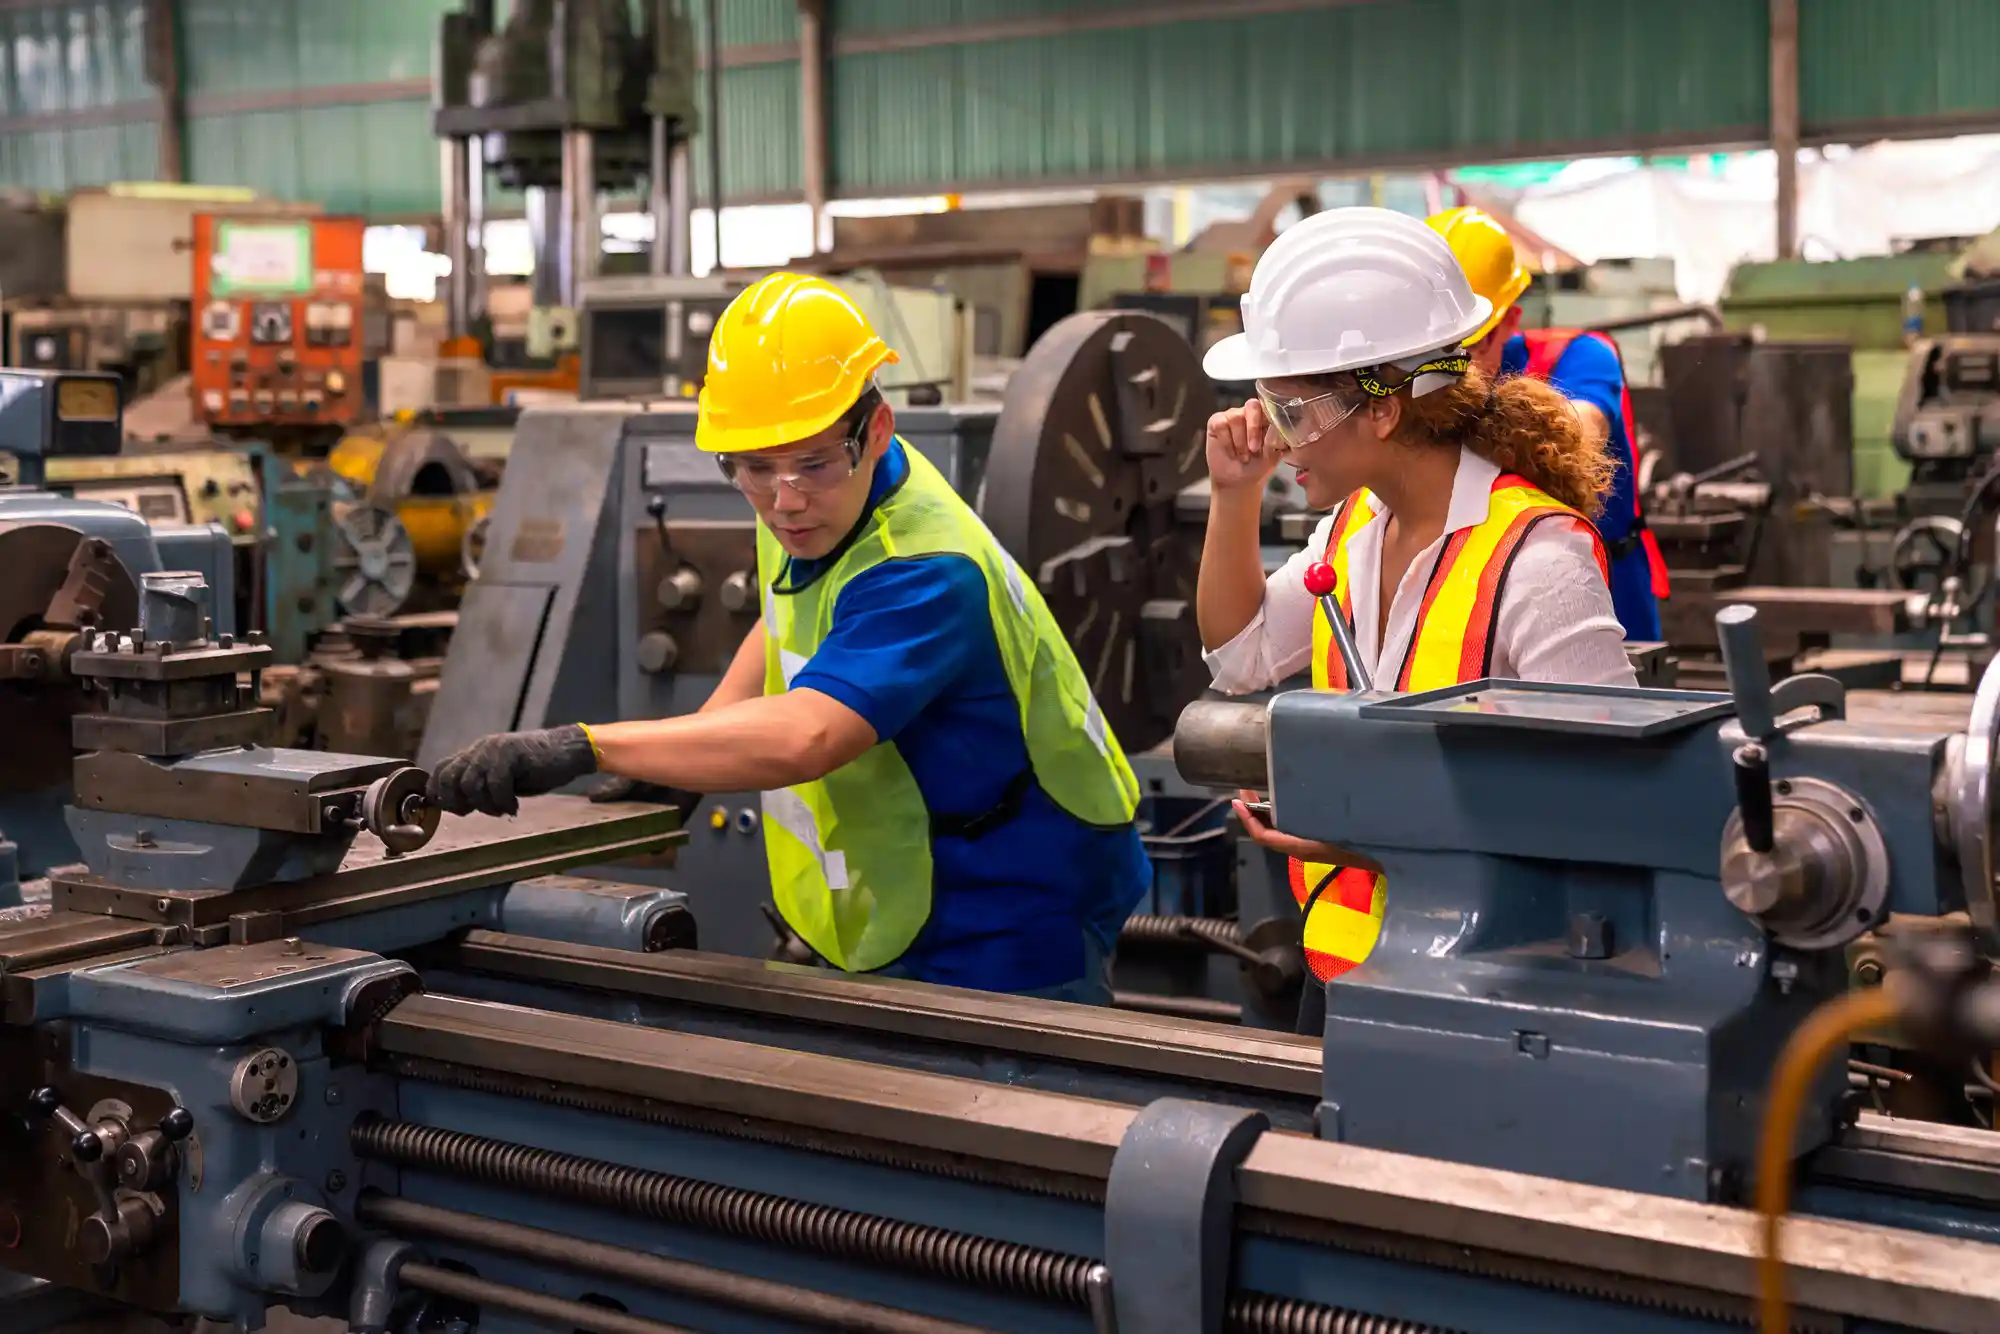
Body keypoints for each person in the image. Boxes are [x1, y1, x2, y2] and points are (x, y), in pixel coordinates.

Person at [427, 273, 1149, 1005]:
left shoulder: (925, 569)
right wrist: (694, 745)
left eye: (811, 462)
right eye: (754, 469)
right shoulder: (816, 499)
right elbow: (785, 618)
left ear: (878, 429)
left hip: (1013, 893)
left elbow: (810, 735)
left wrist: (584, 745)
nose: (784, 499)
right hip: (912, 871)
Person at [1195, 206, 1635, 1012]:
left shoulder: (1537, 562)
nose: (1278, 440)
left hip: (1489, 986)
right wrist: (1235, 495)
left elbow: (1609, 811)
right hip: (1350, 967)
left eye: (1292, 413)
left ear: (1384, 409)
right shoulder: (1356, 526)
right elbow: (1240, 656)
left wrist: (1370, 841)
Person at [1426, 205, 1670, 641]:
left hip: (1608, 587)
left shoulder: (1580, 358)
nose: (1453, 370)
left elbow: (1574, 434)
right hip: (1479, 587)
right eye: (1438, 351)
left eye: (1470, 346)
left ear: (1510, 321)